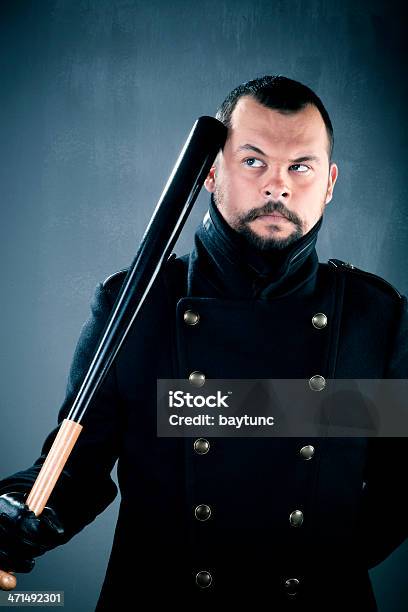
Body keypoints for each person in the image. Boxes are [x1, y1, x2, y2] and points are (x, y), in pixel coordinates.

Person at [0, 75, 407, 611]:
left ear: (329, 182)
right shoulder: (133, 306)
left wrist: (320, 568)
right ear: (212, 171)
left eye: (299, 167)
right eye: (254, 161)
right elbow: (74, 467)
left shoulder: (375, 316)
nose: (277, 186)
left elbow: (400, 486)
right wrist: (17, 508)